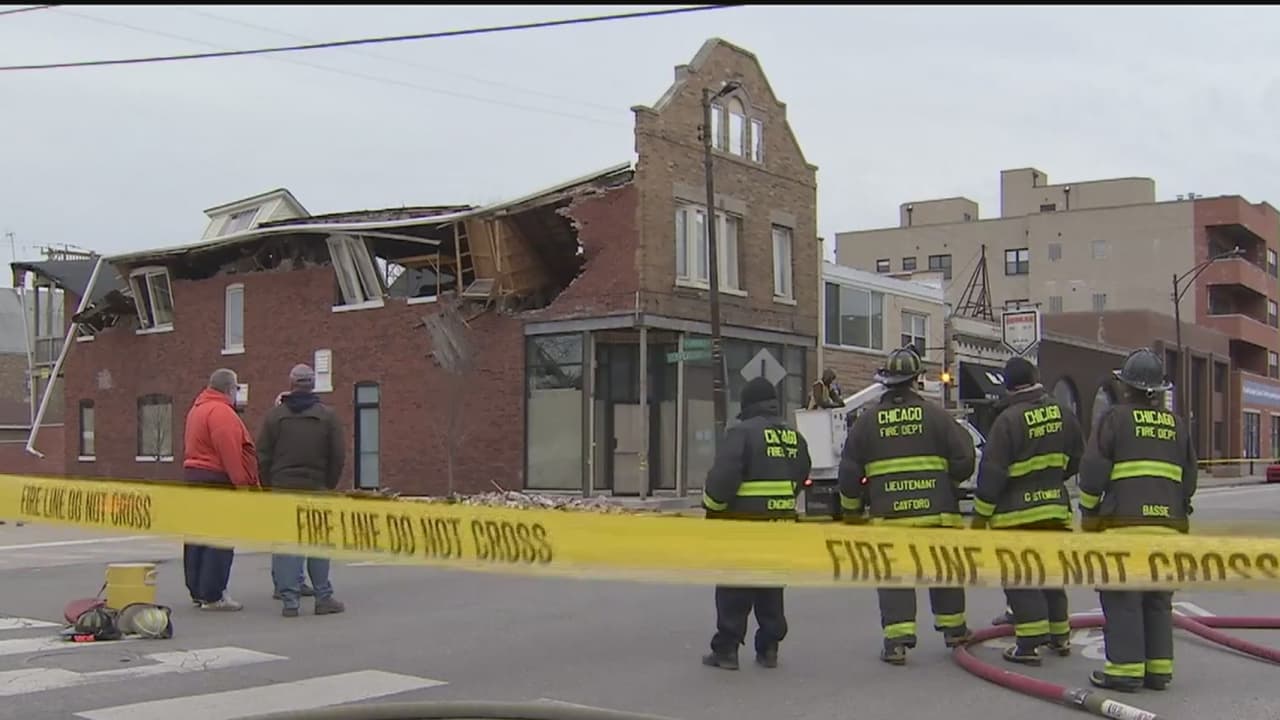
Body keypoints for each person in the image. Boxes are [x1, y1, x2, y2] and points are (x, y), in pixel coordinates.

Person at [839, 346, 976, 665]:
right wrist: (948, 480)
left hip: (890, 518)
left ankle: (897, 641)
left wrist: (852, 513)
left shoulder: (867, 423)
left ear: (885, 381)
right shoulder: (938, 417)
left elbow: (848, 474)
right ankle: (954, 631)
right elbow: (965, 460)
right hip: (938, 514)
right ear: (916, 380)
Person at [1078, 348, 1197, 692]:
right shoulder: (1177, 426)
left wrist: (1089, 515)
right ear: (1158, 391)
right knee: (1157, 600)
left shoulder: (1114, 420)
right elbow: (1189, 481)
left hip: (1123, 529)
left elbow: (1092, 474)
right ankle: (1158, 671)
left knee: (1123, 599)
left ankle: (1125, 672)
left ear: (1127, 387)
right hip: (1168, 531)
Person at [970, 357, 1084, 665]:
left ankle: (1029, 643)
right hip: (1055, 510)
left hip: (1016, 516)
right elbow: (1076, 459)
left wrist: (980, 518)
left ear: (1008, 386)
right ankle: (1060, 637)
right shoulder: (1063, 414)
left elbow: (992, 474)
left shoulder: (1007, 421)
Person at [701, 377, 810, 671]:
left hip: (743, 525)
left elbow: (723, 478)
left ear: (747, 404)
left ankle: (727, 650)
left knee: (735, 587)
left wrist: (712, 507)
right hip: (780, 525)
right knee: (771, 586)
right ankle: (769, 648)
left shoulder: (742, 433)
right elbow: (802, 476)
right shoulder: (793, 437)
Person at [257, 363, 347, 618]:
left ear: (291, 384)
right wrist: (328, 484)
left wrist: (269, 485)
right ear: (312, 384)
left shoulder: (274, 417)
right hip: (316, 488)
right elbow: (337, 456)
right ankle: (323, 597)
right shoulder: (327, 417)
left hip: (283, 489)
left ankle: (290, 601)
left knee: (287, 546)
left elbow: (262, 455)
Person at [182, 368, 260, 611]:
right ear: (229, 389)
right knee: (219, 539)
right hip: (216, 479)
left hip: (194, 477)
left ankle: (197, 590)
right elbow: (231, 454)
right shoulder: (222, 413)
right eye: (236, 389)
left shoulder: (197, 409)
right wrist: (242, 485)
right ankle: (214, 594)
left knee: (197, 538)